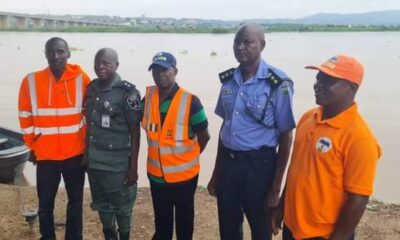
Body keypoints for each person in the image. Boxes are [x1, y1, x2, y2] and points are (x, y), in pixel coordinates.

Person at [272, 55, 382, 240]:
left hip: (323, 234)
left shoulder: (360, 139)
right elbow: (295, 170)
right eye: (318, 78)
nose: (318, 84)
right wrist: (281, 209)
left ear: (352, 87)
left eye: (329, 80)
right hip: (293, 226)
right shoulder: (308, 118)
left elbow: (358, 199)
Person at [207, 23, 296, 240]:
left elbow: (286, 136)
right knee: (228, 226)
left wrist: (276, 187)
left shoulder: (278, 83)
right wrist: (217, 172)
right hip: (229, 164)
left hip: (259, 167)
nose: (241, 47)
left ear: (262, 45)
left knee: (260, 227)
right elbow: (225, 128)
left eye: (248, 42)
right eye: (237, 42)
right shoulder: (228, 80)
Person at [17, 37, 90, 240]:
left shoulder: (81, 79)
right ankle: (47, 236)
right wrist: (31, 145)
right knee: (45, 203)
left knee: (75, 201)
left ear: (68, 53)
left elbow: (89, 113)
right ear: (45, 54)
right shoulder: (31, 81)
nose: (56, 56)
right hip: (46, 155)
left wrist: (88, 148)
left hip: (75, 153)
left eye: (60, 51)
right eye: (52, 52)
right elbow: (25, 115)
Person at [141, 51, 210, 240]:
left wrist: (188, 157)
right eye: (155, 70)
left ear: (175, 71)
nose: (160, 74)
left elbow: (205, 136)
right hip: (156, 177)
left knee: (184, 224)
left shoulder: (191, 102)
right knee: (162, 223)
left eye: (165, 69)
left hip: (184, 179)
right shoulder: (147, 98)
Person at [84, 48, 141, 240]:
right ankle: (110, 235)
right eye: (97, 62)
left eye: (106, 63)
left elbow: (135, 132)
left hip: (117, 166)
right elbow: (89, 125)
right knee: (102, 206)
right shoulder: (91, 89)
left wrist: (133, 167)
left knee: (123, 210)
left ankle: (124, 236)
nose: (100, 67)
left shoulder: (128, 93)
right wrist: (86, 156)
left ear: (116, 65)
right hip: (95, 164)